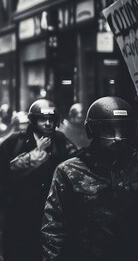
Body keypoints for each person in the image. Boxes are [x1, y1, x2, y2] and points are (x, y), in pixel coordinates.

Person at [41, 96, 138, 260]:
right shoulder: (70, 171)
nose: (117, 137)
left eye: (123, 129)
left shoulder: (134, 166)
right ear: (93, 130)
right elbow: (53, 228)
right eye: (109, 130)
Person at [0, 99, 76, 261]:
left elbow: (75, 166)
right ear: (34, 120)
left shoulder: (61, 141)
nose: (48, 124)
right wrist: (5, 202)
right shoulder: (15, 141)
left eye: (51, 120)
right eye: (43, 119)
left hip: (51, 215)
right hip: (19, 215)